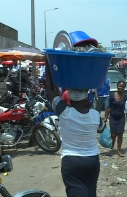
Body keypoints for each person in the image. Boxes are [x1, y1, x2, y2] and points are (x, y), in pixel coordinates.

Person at [44, 61, 105, 197]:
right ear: (86, 99)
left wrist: (48, 63)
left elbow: (50, 90)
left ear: (70, 99)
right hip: (91, 161)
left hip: (71, 162)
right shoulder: (95, 115)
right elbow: (101, 129)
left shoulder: (64, 112)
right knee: (90, 192)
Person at [104, 81, 127, 157]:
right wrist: (106, 117)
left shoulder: (126, 97)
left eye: (122, 86)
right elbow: (109, 107)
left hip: (121, 117)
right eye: (120, 86)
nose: (121, 88)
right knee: (113, 134)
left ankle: (118, 150)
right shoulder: (112, 96)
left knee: (120, 134)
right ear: (117, 86)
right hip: (113, 117)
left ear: (124, 88)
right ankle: (113, 142)